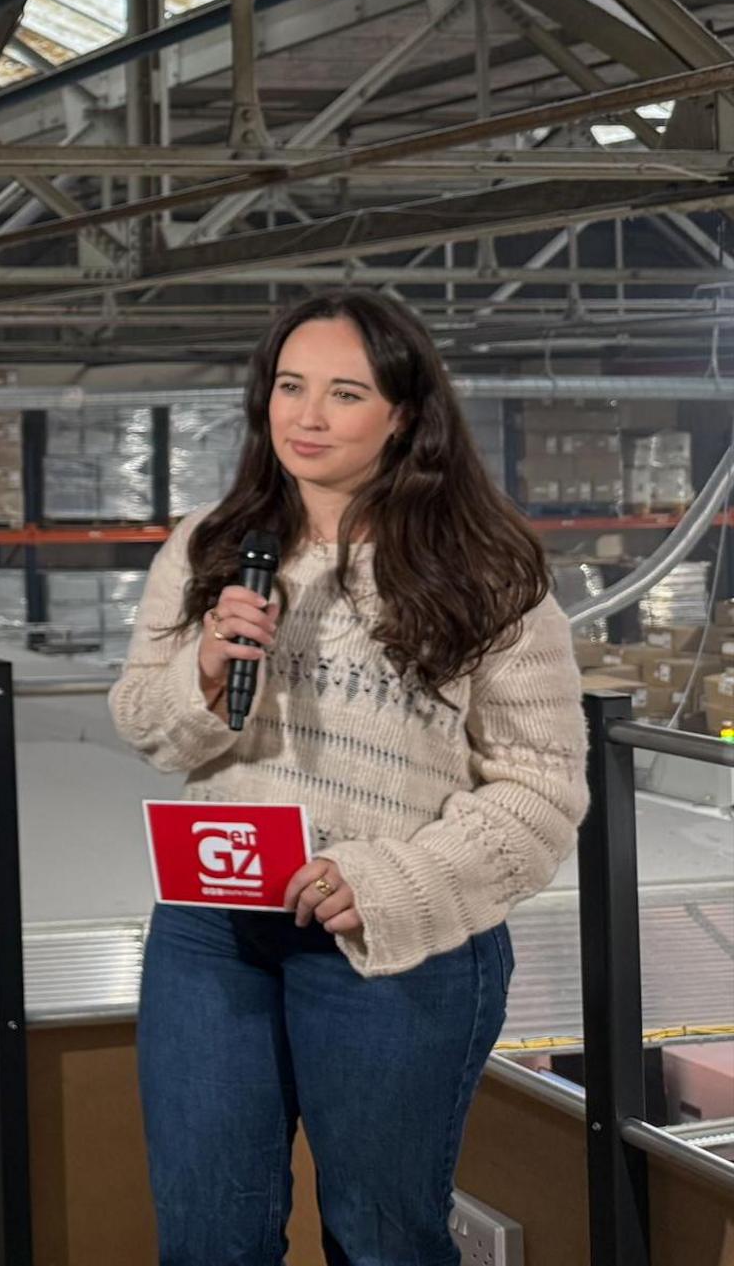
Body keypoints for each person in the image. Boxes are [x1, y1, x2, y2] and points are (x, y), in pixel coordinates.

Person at [108, 289, 588, 1265]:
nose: (306, 416)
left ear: (403, 414)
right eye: (289, 386)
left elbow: (541, 791)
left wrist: (384, 881)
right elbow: (145, 724)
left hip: (393, 942)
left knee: (381, 1241)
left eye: (342, 392)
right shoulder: (210, 546)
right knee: (206, 1236)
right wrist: (199, 671)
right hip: (210, 937)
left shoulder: (488, 573)